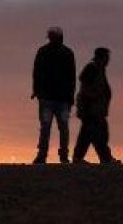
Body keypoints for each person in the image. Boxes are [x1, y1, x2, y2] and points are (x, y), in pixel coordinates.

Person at [31, 27, 76, 164]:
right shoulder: (66, 53)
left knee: (48, 126)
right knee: (60, 127)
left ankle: (44, 155)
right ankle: (58, 155)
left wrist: (37, 90)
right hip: (56, 97)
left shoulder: (44, 52)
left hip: (51, 97)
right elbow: (71, 77)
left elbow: (37, 73)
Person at [72, 47, 119, 164]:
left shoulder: (99, 69)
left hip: (96, 109)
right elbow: (85, 87)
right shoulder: (92, 68)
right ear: (101, 58)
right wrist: (93, 99)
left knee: (88, 134)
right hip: (91, 109)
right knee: (98, 133)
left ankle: (81, 157)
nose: (108, 60)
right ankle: (105, 157)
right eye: (106, 57)